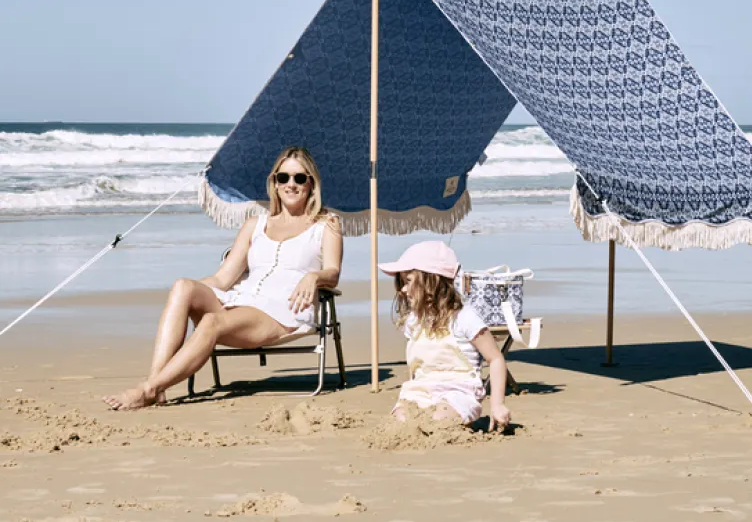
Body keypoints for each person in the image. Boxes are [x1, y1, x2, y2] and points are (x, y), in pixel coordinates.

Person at [103, 146, 342, 410]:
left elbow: (333, 273)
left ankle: (148, 389)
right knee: (183, 286)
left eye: (299, 178)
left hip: (280, 310)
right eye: (283, 177)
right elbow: (223, 278)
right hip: (242, 299)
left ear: (311, 183)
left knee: (211, 321)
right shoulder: (255, 225)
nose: (291, 184)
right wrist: (184, 298)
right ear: (274, 183)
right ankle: (156, 386)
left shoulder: (326, 224)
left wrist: (314, 277)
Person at [378, 241, 511, 431]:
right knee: (400, 419)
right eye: (401, 282)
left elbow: (495, 358)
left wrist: (497, 405)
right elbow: (416, 367)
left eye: (408, 281)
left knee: (439, 418)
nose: (403, 289)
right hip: (421, 389)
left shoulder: (464, 318)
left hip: (458, 391)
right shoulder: (414, 320)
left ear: (432, 282)